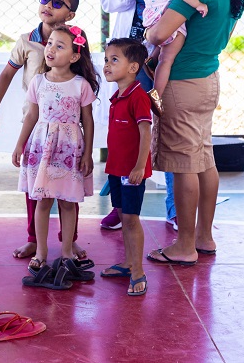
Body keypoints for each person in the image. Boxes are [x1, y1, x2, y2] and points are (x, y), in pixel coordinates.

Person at [144, 0, 244, 266]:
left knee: (183, 165)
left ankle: (184, 246)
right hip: (208, 79)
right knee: (204, 159)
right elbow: (224, 36)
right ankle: (204, 236)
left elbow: (159, 33)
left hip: (181, 83)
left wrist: (148, 30)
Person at [98, 0, 197, 231]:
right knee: (125, 131)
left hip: (168, 56)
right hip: (130, 60)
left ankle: (175, 209)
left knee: (167, 126)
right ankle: (121, 206)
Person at [0, 0, 88, 262]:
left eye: (57, 3)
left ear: (70, 14)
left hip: (66, 131)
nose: (48, 5)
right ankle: (34, 240)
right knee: (36, 187)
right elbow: (6, 75)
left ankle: (69, 241)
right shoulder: (26, 41)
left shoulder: (74, 40)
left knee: (69, 188)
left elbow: (83, 81)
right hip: (37, 127)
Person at [13, 26, 99, 280]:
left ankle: (67, 252)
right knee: (42, 201)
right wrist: (20, 144)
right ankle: (41, 252)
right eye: (50, 43)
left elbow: (88, 121)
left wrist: (88, 153)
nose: (50, 49)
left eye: (59, 46)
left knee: (67, 202)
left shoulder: (81, 85)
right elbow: (32, 116)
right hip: (43, 148)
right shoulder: (38, 82)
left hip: (69, 150)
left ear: (74, 56)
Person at [99, 38, 152, 296]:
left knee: (131, 219)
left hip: (132, 172)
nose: (107, 65)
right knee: (122, 215)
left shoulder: (138, 97)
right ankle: (128, 263)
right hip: (117, 169)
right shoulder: (118, 96)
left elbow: (146, 132)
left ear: (133, 67)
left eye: (114, 60)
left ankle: (138, 271)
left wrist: (140, 167)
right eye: (106, 60)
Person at [139, 0, 208, 115]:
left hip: (151, 22)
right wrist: (198, 4)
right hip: (170, 26)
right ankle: (156, 94)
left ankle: (151, 59)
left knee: (161, 50)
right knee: (167, 60)